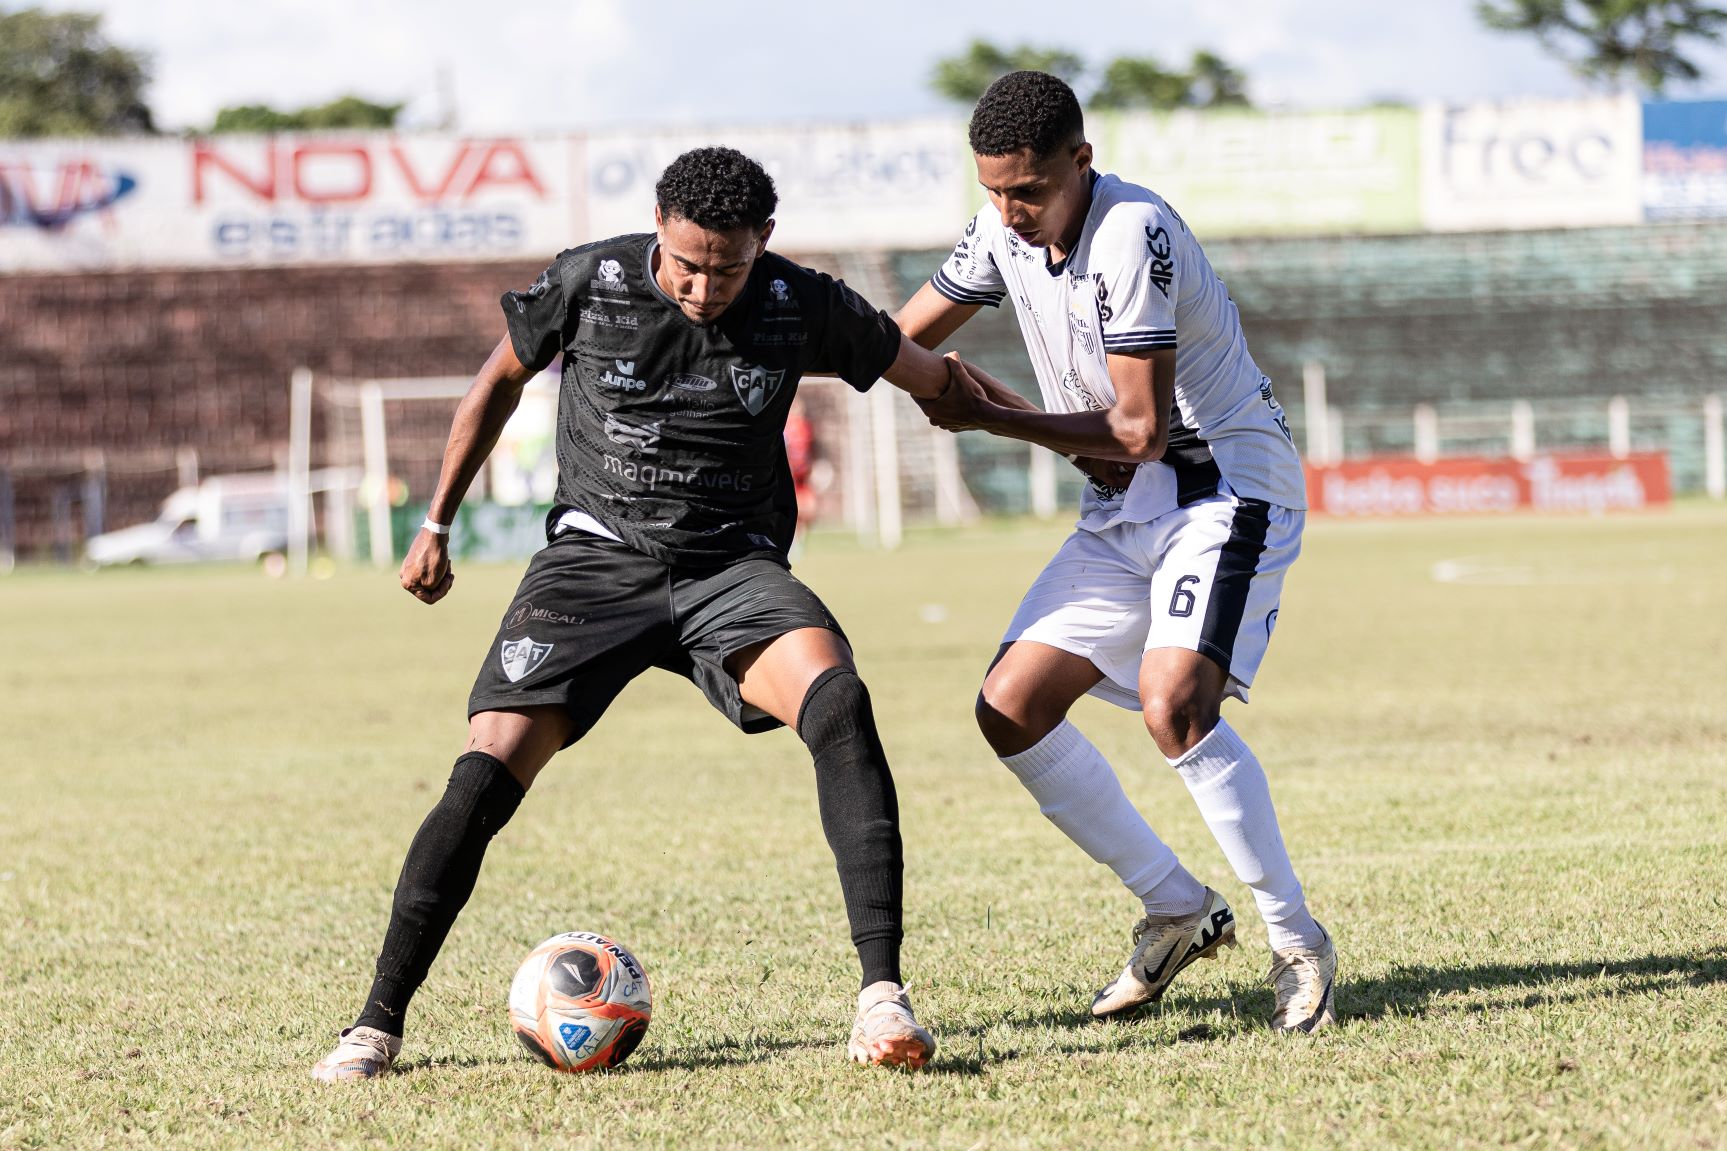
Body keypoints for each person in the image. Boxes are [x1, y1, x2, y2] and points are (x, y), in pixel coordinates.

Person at [312, 147, 956, 1081]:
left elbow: (930, 378)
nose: (703, 286)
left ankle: (882, 997)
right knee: (484, 768)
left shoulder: (798, 300)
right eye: (688, 262)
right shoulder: (590, 278)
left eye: (726, 266)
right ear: (658, 224)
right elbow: (496, 383)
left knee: (838, 701)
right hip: (591, 565)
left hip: (729, 567)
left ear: (761, 242)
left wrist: (1070, 437)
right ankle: (374, 1026)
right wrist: (436, 520)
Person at [896, 71, 1337, 1032]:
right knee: (1009, 707)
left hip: (1221, 488)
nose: (1010, 213)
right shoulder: (997, 232)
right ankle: (1177, 909)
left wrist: (990, 414)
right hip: (1121, 506)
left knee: (1172, 703)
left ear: (1079, 163)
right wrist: (768, 332)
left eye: (1029, 191)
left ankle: (1296, 939)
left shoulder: (1131, 231)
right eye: (994, 192)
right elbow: (896, 341)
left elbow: (1137, 429)